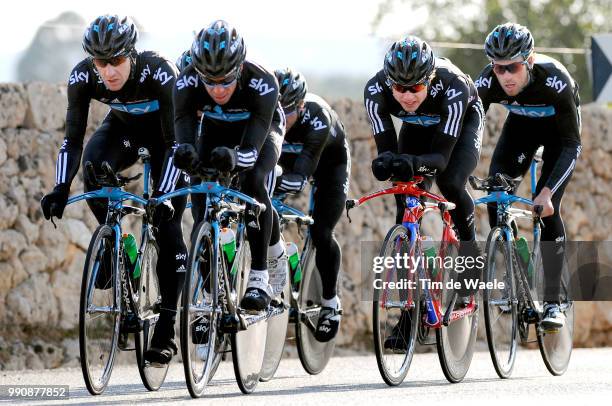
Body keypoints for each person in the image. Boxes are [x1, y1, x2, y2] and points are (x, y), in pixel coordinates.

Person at [40, 15, 188, 364]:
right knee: (93, 167)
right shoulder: (82, 75)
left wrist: (163, 196)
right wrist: (60, 187)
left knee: (168, 226)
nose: (108, 71)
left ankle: (166, 329)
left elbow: (178, 145)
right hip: (124, 130)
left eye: (116, 61)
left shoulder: (161, 71)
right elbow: (71, 140)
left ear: (132, 54)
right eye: (100, 62)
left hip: (171, 140)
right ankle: (119, 248)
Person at [364, 36, 485, 351]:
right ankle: (409, 315)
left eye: (415, 88)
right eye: (399, 88)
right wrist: (386, 163)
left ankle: (471, 254)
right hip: (417, 127)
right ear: (388, 83)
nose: (405, 96)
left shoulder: (453, 85)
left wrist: (414, 163)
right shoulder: (375, 90)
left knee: (451, 183)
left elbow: (441, 159)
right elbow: (386, 150)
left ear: (429, 80)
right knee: (404, 202)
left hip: (459, 125)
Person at [172, 20, 288, 312]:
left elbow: (250, 152)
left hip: (260, 129)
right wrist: (186, 155)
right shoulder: (185, 83)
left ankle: (261, 274)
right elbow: (183, 138)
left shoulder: (262, 82)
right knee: (199, 190)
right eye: (209, 81)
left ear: (239, 68)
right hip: (216, 127)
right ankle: (210, 293)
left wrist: (235, 158)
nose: (218, 89)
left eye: (226, 80)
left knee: (253, 180)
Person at [476, 22, 581, 330]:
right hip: (521, 128)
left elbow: (574, 145)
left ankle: (552, 301)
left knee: (546, 210)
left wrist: (547, 192)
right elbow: (470, 128)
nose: (505, 76)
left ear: (529, 61)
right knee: (497, 200)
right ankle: (517, 273)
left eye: (513, 67)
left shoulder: (556, 82)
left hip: (560, 137)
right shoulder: (487, 82)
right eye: (498, 68)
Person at [273, 68, 350, 342]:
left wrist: (291, 179)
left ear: (301, 106)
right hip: (287, 160)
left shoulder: (318, 117)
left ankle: (330, 302)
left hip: (328, 164)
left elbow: (301, 174)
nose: (281, 120)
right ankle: (285, 262)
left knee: (321, 231)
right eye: (275, 113)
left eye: (287, 112)